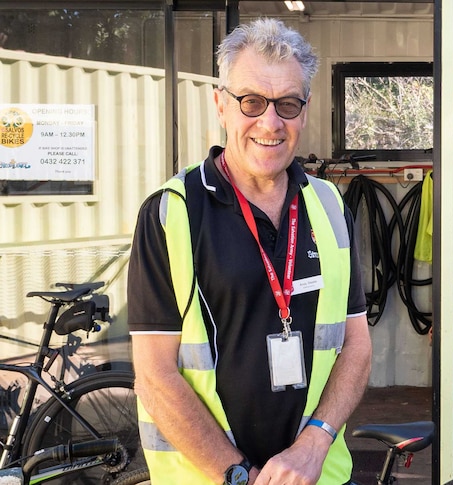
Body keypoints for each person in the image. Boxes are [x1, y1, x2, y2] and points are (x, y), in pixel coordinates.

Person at [128, 18, 372, 485]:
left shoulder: (328, 204)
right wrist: (238, 475)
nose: (270, 122)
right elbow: (155, 376)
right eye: (252, 102)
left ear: (305, 110)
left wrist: (314, 443)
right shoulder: (170, 212)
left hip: (316, 474)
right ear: (221, 104)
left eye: (287, 104)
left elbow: (356, 344)